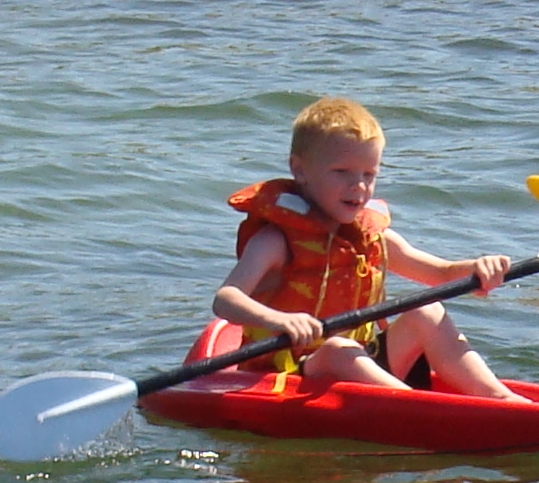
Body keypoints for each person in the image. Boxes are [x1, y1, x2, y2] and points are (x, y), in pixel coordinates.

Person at [212, 96, 522, 400]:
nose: (358, 186)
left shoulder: (373, 239)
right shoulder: (276, 241)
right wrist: (279, 320)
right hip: (288, 375)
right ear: (300, 170)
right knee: (338, 349)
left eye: (369, 174)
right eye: (341, 172)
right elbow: (225, 300)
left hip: (360, 366)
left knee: (427, 309)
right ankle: (421, 408)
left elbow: (441, 273)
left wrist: (478, 270)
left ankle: (499, 399)